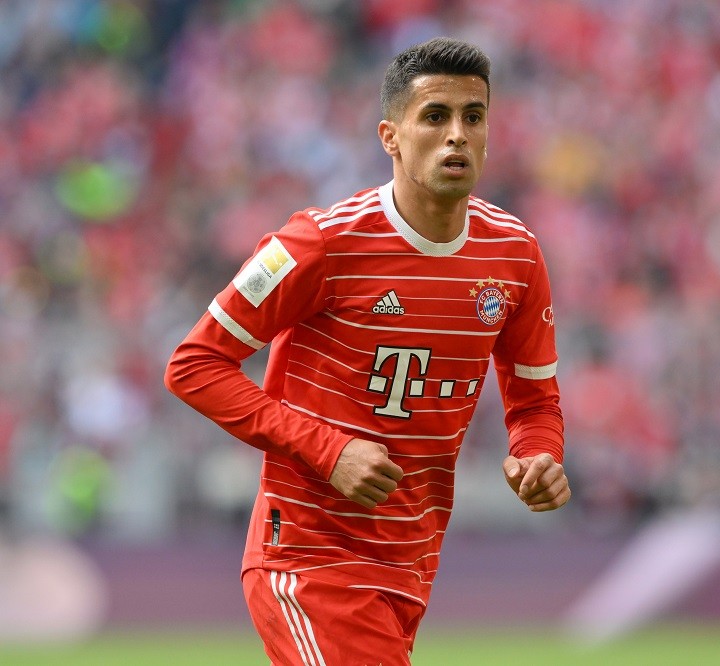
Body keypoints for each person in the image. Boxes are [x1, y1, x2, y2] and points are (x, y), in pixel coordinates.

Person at [164, 37, 570, 665]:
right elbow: (193, 366)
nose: (457, 134)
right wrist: (329, 450)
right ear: (391, 136)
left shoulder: (514, 255)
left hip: (412, 557)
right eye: (434, 116)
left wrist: (538, 455)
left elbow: (535, 400)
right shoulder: (318, 243)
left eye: (474, 116)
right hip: (308, 555)